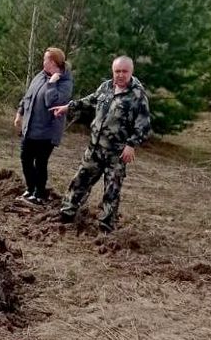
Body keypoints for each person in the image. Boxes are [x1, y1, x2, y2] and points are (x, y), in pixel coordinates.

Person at [50, 56, 151, 233]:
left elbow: (143, 125)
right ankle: (67, 213)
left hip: (116, 154)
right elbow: (89, 101)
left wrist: (131, 145)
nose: (120, 75)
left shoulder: (138, 95)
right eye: (117, 71)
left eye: (124, 71)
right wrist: (68, 107)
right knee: (80, 181)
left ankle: (106, 226)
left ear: (131, 71)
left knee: (111, 191)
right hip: (94, 149)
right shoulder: (106, 87)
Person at [14, 47, 73, 205]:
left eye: (45, 59)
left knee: (40, 163)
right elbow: (28, 96)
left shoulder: (65, 82)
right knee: (25, 158)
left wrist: (52, 84)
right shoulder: (40, 76)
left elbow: (52, 102)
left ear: (53, 62)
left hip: (47, 131)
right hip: (31, 127)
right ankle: (30, 188)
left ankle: (39, 194)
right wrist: (19, 114)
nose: (43, 61)